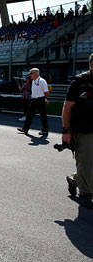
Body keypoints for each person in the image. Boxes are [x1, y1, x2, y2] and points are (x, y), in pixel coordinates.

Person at [63, 53, 93, 209]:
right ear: (91, 65)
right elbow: (67, 107)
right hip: (83, 129)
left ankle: (76, 180)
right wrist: (66, 130)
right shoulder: (79, 82)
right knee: (86, 161)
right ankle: (86, 194)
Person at [17, 68, 49, 136]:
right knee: (29, 115)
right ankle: (25, 128)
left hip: (40, 99)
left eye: (31, 73)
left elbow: (46, 92)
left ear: (36, 74)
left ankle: (45, 130)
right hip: (34, 99)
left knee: (43, 116)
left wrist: (44, 98)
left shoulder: (42, 81)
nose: (30, 75)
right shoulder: (33, 81)